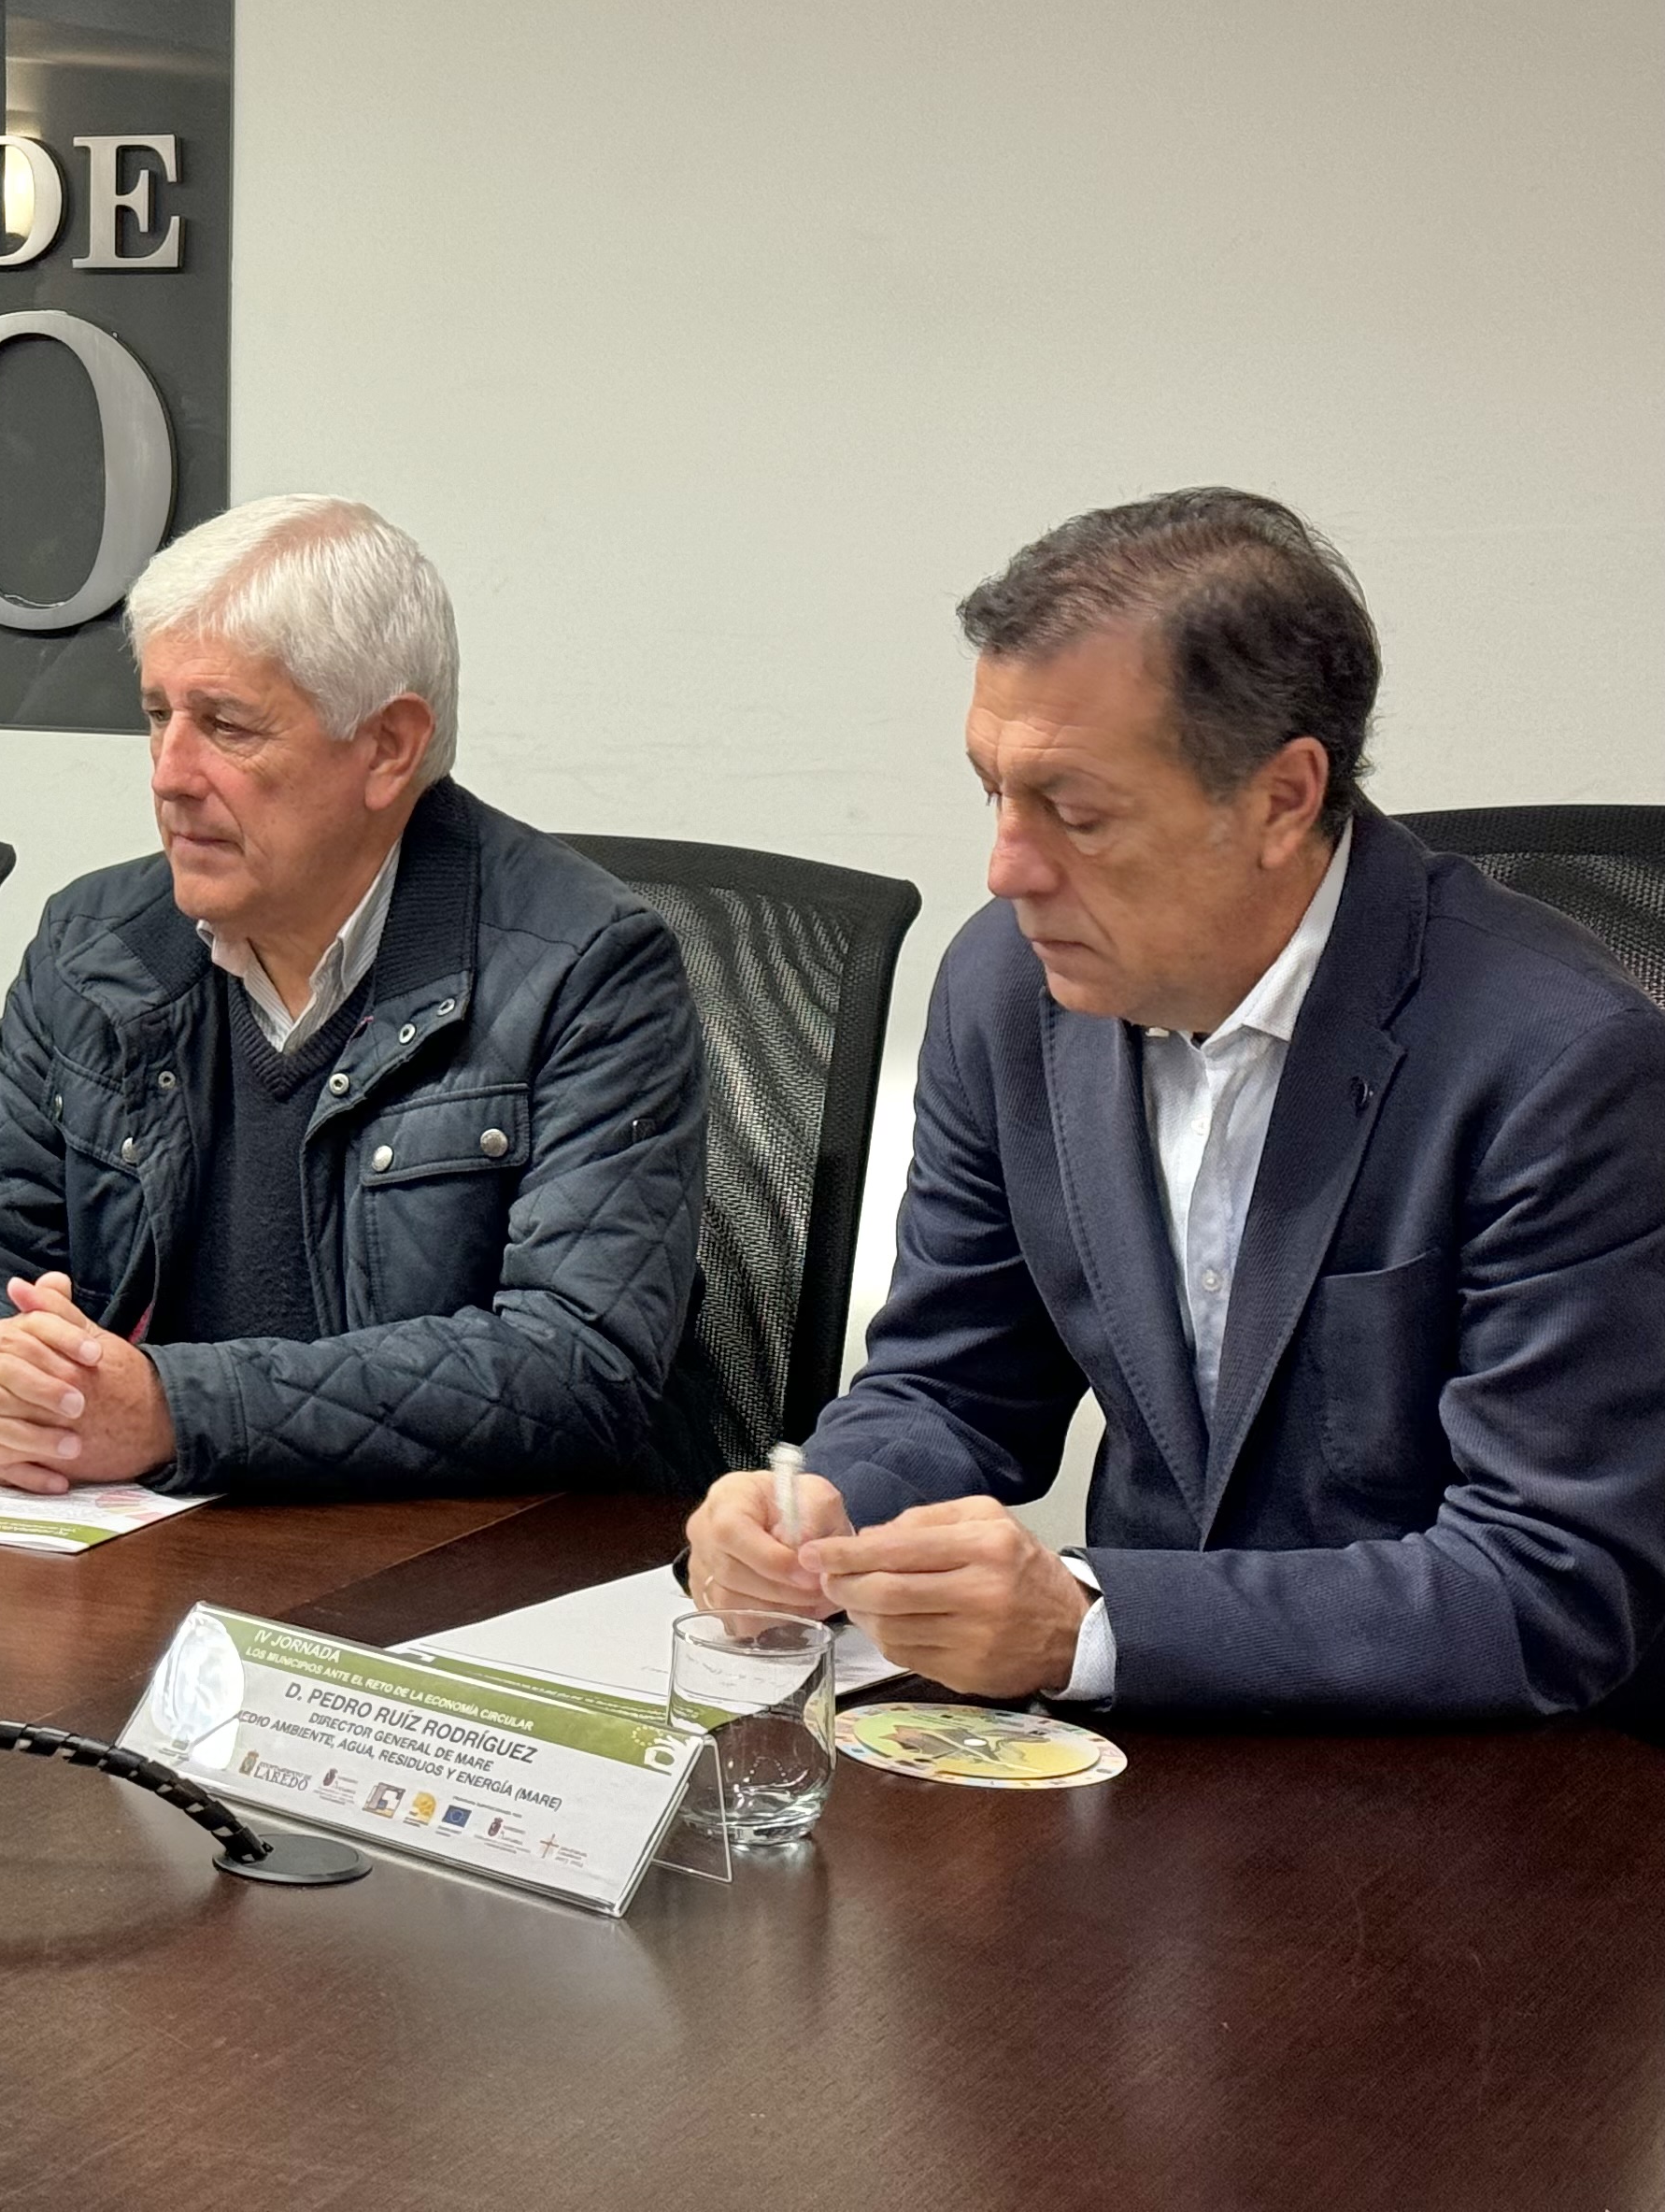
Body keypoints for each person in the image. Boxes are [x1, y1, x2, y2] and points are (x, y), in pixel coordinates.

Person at [689, 490, 1665, 1720]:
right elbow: (953, 1381)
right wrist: (821, 1508)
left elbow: (1548, 1585)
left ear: (1282, 799)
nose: (1007, 869)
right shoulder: (1005, 989)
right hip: (1139, 1757)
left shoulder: (1562, 1061)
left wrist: (1093, 1624)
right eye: (994, 792)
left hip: (1479, 1773)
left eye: (1078, 813)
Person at [0, 494, 707, 1497]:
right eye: (158, 716)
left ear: (388, 747)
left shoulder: (585, 968)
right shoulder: (100, 944)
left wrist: (174, 1410)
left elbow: (577, 1361)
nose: (170, 775)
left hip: (449, 1553)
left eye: (227, 725)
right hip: (148, 1538)